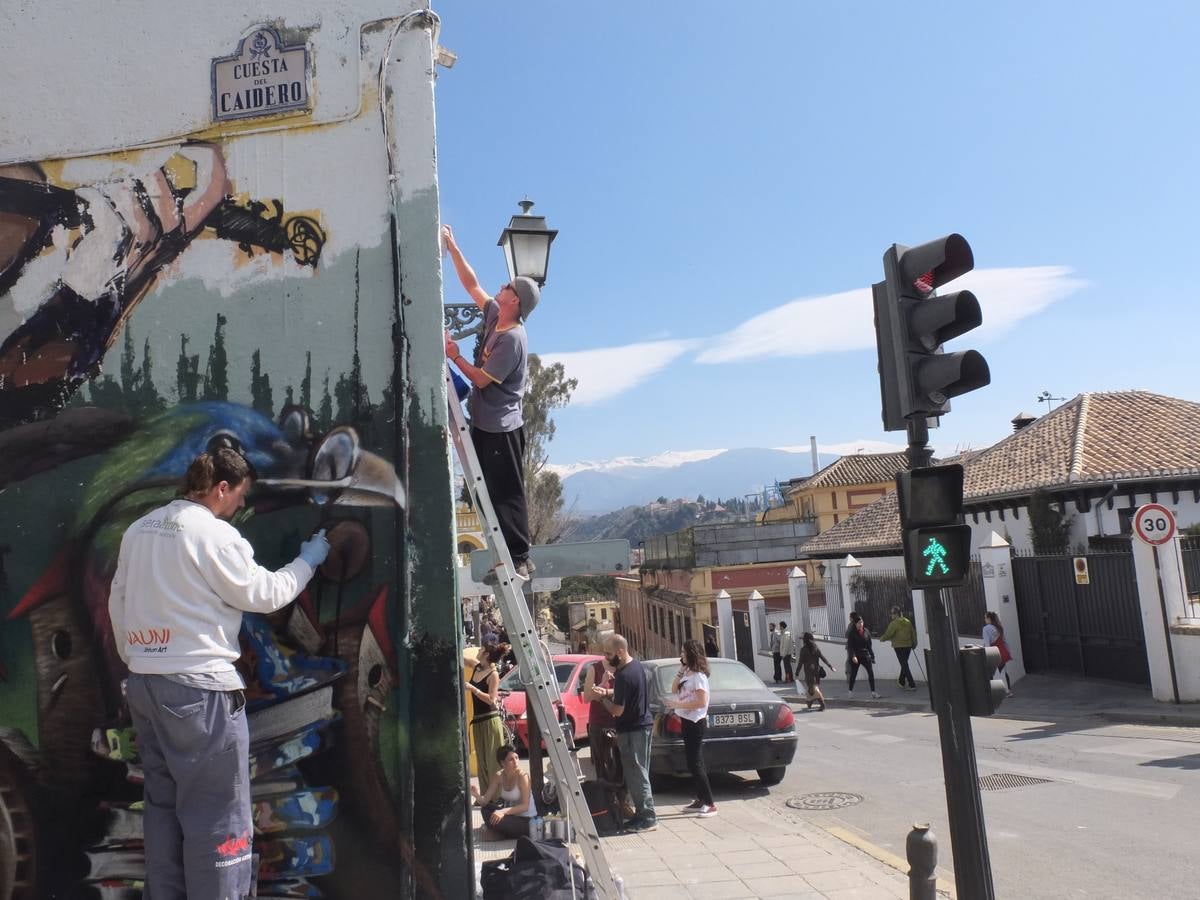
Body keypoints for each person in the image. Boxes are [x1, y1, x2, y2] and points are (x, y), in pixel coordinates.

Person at [107, 448, 330, 898]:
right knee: (219, 816)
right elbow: (266, 594)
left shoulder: (138, 531)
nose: (241, 507)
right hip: (201, 695)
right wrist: (310, 558)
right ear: (220, 488)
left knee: (163, 810)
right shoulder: (212, 535)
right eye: (240, 496)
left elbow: (118, 602)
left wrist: (140, 660)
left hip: (148, 687)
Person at [442, 224, 540, 584]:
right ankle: (505, 562)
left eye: (508, 287)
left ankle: (520, 560)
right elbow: (472, 284)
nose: (501, 287)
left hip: (502, 429)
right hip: (484, 423)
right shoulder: (494, 316)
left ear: (516, 300)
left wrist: (453, 355)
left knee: (506, 494)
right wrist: (453, 247)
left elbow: (481, 380)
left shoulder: (513, 338)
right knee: (482, 491)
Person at [595, 634, 656, 831]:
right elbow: (628, 694)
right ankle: (642, 814)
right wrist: (608, 692)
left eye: (609, 653)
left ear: (620, 652)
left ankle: (647, 817)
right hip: (641, 726)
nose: (606, 657)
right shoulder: (637, 666)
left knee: (637, 773)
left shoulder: (622, 675)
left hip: (632, 730)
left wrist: (601, 699)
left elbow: (617, 710)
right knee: (639, 772)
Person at [663, 639, 716, 817]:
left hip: (695, 722)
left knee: (696, 762)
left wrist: (677, 704)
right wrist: (680, 670)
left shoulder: (699, 676)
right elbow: (673, 688)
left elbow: (702, 701)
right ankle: (700, 799)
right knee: (691, 762)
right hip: (686, 720)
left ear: (691, 654)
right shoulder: (688, 673)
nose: (681, 655)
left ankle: (709, 803)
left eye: (684, 653)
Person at [583, 654, 634, 820]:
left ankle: (623, 803)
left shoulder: (623, 668)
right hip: (599, 724)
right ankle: (606, 806)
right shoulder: (595, 668)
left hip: (620, 722)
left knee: (622, 766)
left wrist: (606, 692)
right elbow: (587, 697)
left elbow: (628, 690)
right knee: (602, 766)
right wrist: (602, 683)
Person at [466, 642, 510, 795]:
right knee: (482, 762)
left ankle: (497, 796)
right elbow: (462, 659)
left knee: (493, 763)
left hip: (490, 721)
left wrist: (473, 689)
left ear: (486, 654)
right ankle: (486, 796)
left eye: (481, 649)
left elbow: (492, 699)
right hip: (478, 721)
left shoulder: (493, 675)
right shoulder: (477, 666)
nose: (478, 650)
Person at [470, 744, 538, 839]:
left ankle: (501, 834)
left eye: (517, 758)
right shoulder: (499, 776)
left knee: (496, 817)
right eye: (511, 759)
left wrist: (502, 811)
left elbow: (525, 806)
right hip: (511, 817)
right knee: (485, 809)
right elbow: (485, 801)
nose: (516, 762)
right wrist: (476, 795)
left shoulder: (523, 776)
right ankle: (502, 833)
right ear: (502, 763)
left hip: (527, 821)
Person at [879, 606, 918, 691]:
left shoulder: (894, 623)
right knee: (904, 664)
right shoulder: (908, 621)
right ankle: (901, 681)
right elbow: (913, 633)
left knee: (904, 665)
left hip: (899, 646)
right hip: (908, 646)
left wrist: (882, 639)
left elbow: (888, 634)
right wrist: (914, 644)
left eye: (892, 613)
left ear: (896, 614)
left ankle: (912, 684)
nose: (891, 615)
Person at [796, 632, 836, 711]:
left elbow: (800, 662)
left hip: (809, 672)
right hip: (816, 672)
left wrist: (797, 672)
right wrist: (830, 666)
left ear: (805, 640)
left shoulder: (803, 649)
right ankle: (809, 702)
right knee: (812, 688)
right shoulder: (815, 647)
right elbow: (823, 658)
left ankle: (822, 704)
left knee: (814, 689)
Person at [845, 612, 879, 699]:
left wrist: (872, 655)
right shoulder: (852, 633)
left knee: (870, 673)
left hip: (865, 655)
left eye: (862, 622)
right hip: (856, 656)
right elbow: (850, 646)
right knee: (854, 674)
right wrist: (853, 656)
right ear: (855, 624)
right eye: (859, 623)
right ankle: (850, 692)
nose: (861, 624)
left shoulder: (866, 631)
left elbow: (869, 645)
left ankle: (873, 692)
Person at [983, 611, 1015, 697]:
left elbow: (987, 643)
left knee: (991, 672)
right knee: (1003, 671)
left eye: (985, 618)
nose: (984, 619)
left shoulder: (986, 629)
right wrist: (1008, 652)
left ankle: (994, 693)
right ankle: (1008, 691)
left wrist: (987, 654)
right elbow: (1005, 641)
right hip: (1002, 651)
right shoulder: (999, 627)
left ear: (989, 619)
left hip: (994, 652)